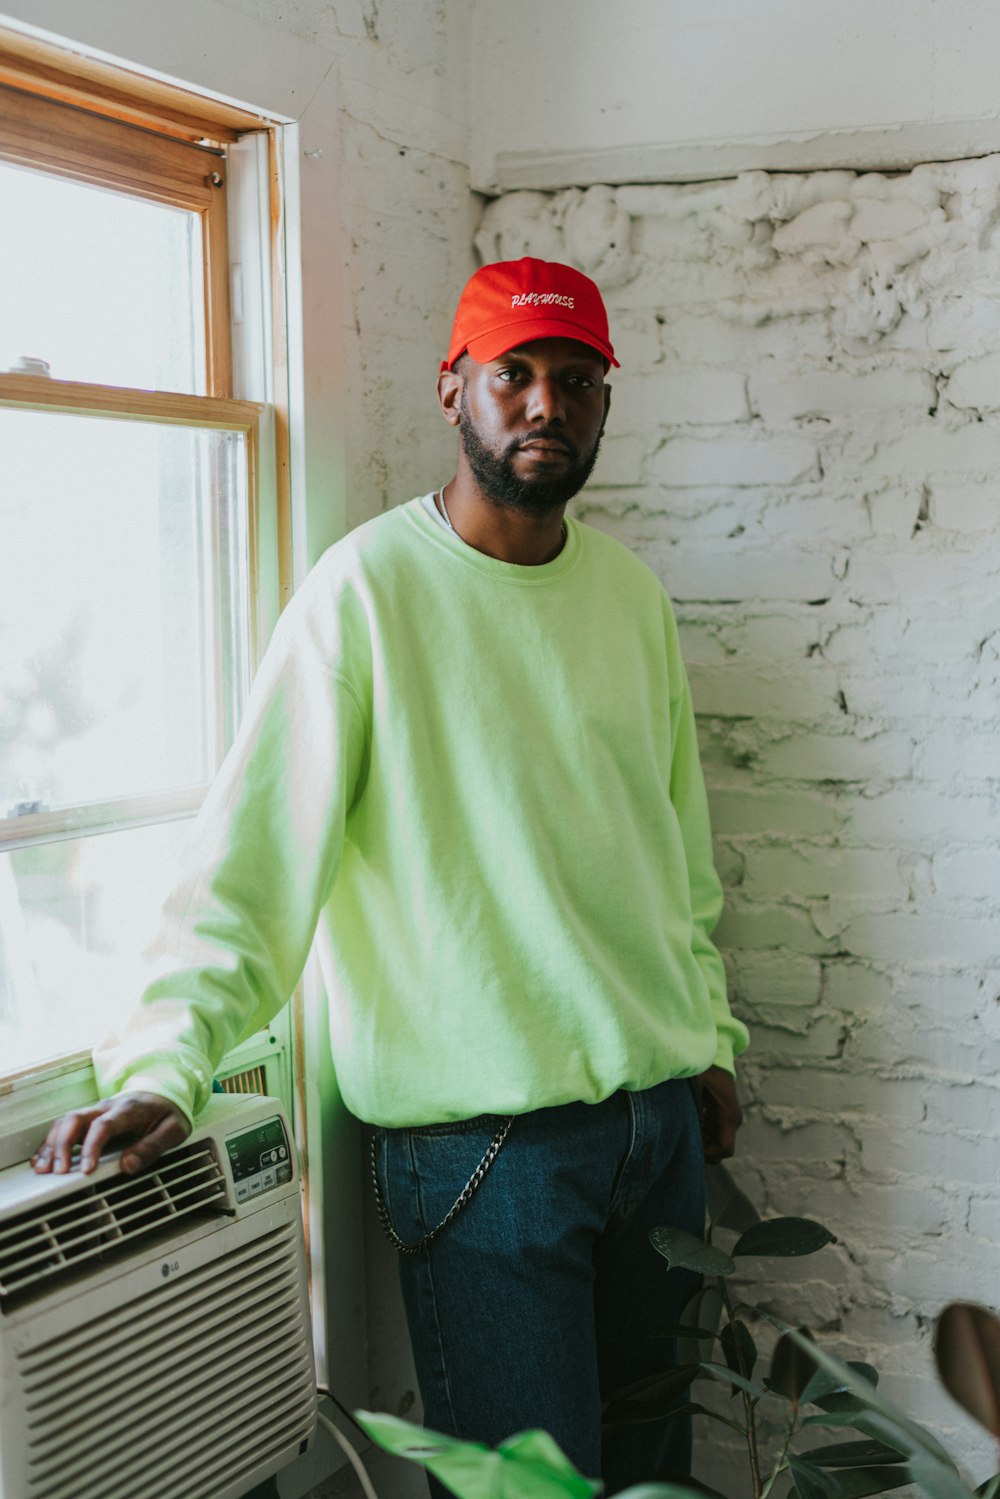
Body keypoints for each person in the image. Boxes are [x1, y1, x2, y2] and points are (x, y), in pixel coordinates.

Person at [33, 257, 748, 1491]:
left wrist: (711, 1041)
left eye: (576, 381)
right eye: (512, 374)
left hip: (657, 1123)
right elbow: (248, 871)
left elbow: (675, 856)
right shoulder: (364, 594)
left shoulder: (629, 597)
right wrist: (165, 1060)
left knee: (655, 1471)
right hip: (485, 1151)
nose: (545, 406)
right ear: (450, 389)